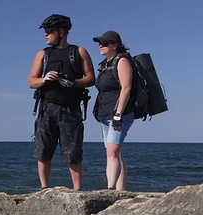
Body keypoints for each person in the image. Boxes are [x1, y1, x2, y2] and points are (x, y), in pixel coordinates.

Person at [28, 14, 95, 191]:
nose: (46, 34)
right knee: (43, 150)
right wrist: (45, 79)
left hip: (70, 108)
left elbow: (90, 78)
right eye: (45, 31)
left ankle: (77, 190)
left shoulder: (79, 52)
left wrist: (73, 82)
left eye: (49, 31)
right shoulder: (43, 54)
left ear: (62, 32)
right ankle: (44, 188)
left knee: (73, 151)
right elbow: (31, 82)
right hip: (46, 107)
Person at [92, 30, 135, 191]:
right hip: (105, 114)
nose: (100, 45)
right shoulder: (105, 65)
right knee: (116, 153)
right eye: (99, 43)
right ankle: (120, 190)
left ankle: (109, 189)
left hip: (119, 115)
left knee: (112, 152)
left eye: (104, 43)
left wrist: (118, 114)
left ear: (115, 45)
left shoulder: (122, 61)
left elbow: (126, 87)